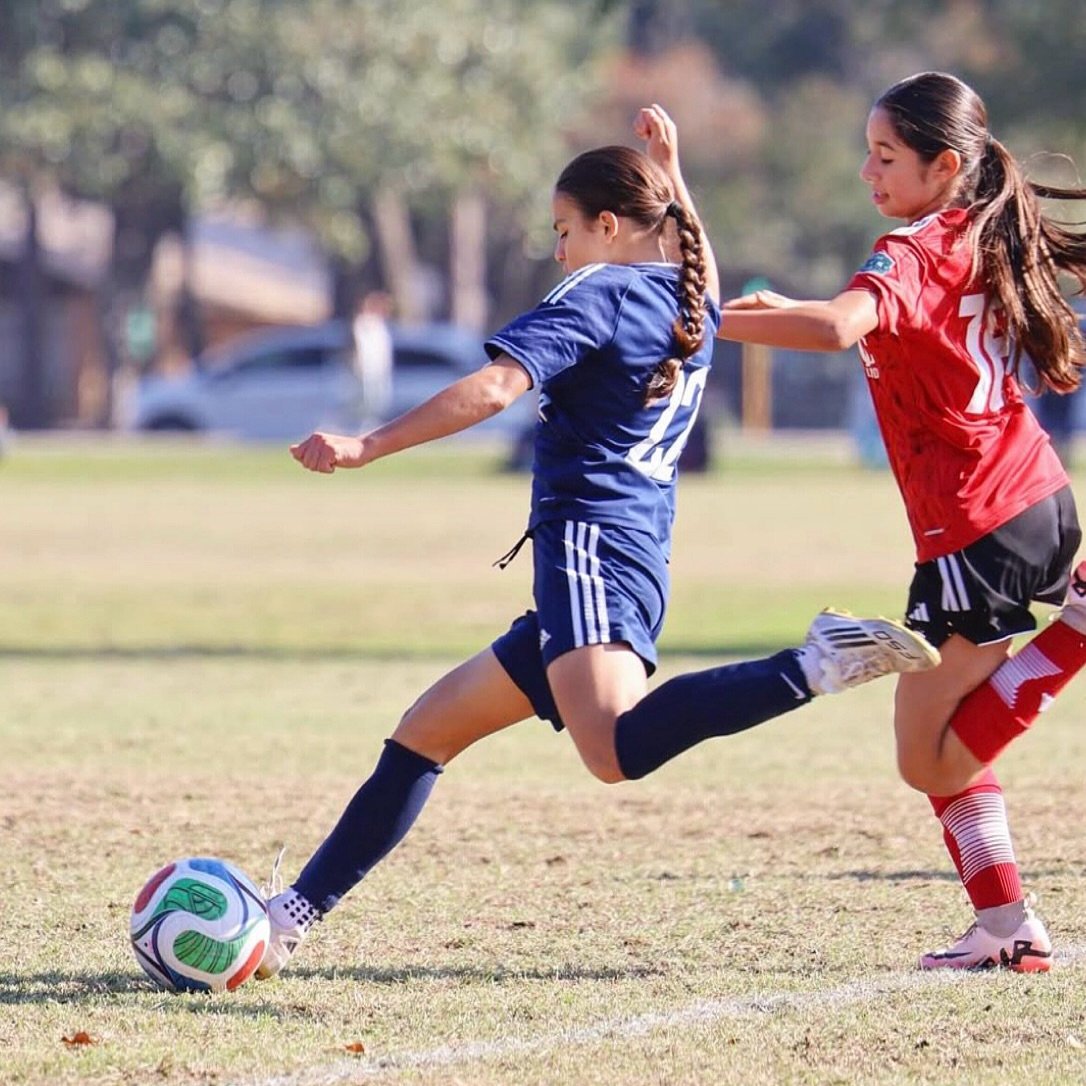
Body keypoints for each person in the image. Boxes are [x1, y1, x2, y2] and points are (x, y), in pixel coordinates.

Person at [256, 105, 938, 979]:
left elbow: (496, 388)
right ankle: (291, 916)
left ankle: (813, 664)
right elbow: (704, 265)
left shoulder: (603, 291)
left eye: (564, 230)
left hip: (588, 547)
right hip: (629, 556)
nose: (559, 252)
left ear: (608, 225)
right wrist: (678, 174)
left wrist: (367, 444)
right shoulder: (687, 300)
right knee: (425, 733)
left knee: (612, 751)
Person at [719, 71, 1086, 972]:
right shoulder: (986, 230)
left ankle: (1078, 630)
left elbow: (844, 327)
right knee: (946, 745)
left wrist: (698, 327)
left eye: (885, 156)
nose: (866, 171)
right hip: (1033, 497)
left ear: (944, 164)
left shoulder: (911, 248)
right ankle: (1005, 927)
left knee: (927, 759)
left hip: (979, 524)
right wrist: (771, 315)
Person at [351, 290, 394, 426]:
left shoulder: (380, 325)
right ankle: (364, 426)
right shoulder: (363, 323)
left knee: (379, 402)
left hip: (380, 370)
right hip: (365, 370)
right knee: (365, 402)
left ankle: (373, 426)